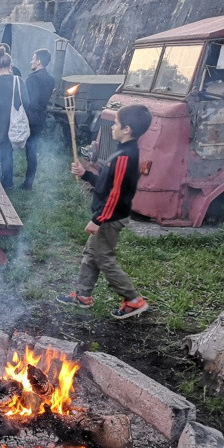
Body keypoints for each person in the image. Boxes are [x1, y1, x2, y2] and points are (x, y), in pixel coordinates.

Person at [56, 104, 152, 320]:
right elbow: (106, 184)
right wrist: (86, 174)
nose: (112, 127)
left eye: (116, 124)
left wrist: (98, 220)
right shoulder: (123, 152)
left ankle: (133, 300)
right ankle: (82, 295)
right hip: (109, 215)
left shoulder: (125, 157)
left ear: (127, 129)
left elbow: (115, 194)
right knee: (92, 254)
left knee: (104, 258)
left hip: (110, 218)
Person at [0, 47, 30, 189]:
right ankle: (8, 184)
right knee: (8, 155)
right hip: (12, 125)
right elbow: (27, 102)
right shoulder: (18, 80)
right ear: (10, 65)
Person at [23, 48, 55, 190]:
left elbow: (27, 100)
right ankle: (29, 181)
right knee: (32, 149)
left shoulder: (32, 78)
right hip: (41, 117)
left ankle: (26, 183)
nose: (31, 61)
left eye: (33, 58)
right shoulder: (50, 80)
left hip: (30, 117)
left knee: (28, 148)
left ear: (39, 61)